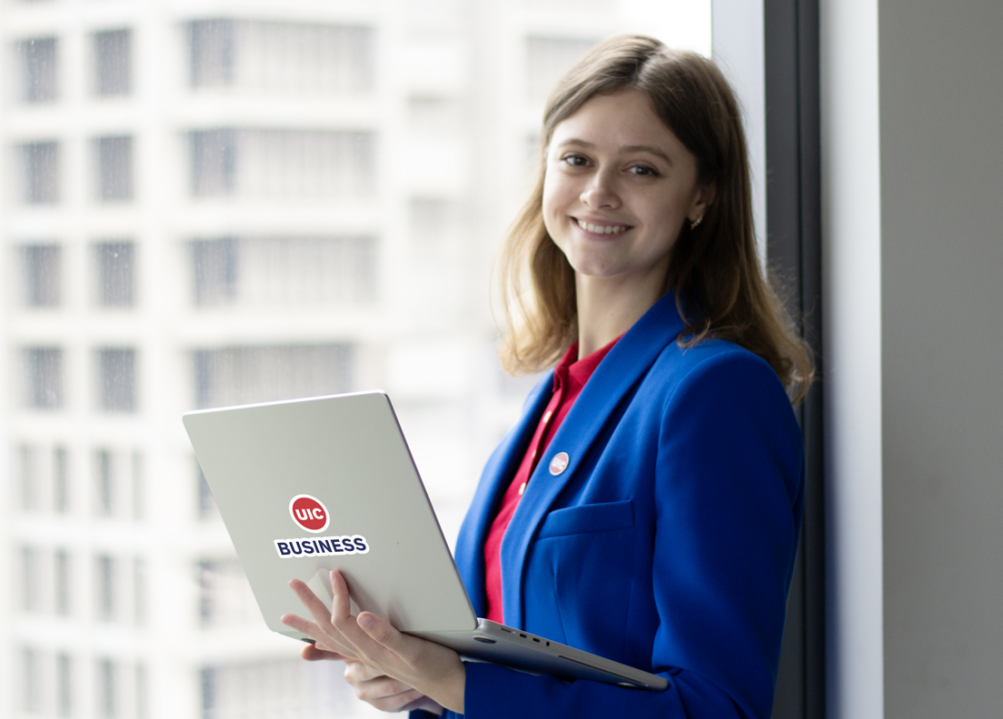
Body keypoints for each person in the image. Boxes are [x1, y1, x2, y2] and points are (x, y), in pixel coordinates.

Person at [281, 35, 811, 719]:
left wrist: (454, 683)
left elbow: (716, 707)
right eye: (576, 159)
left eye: (643, 169)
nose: (599, 192)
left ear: (702, 195)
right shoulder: (552, 398)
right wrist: (414, 677)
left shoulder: (716, 393)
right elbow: (500, 659)